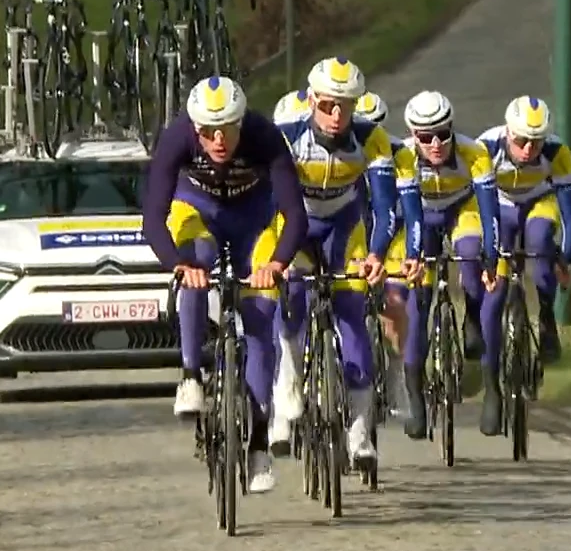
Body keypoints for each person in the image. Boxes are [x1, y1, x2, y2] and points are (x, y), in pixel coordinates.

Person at [141, 75, 308, 493]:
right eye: (208, 132)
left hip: (253, 219)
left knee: (260, 316)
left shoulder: (264, 137)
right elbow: (152, 217)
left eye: (227, 130)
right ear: (195, 128)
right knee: (196, 262)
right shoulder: (177, 135)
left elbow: (294, 212)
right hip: (197, 212)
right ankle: (191, 376)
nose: (218, 140)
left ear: (241, 123)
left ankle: (256, 447)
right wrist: (177, 265)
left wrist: (278, 263)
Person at [272, 57, 405, 467]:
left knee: (352, 315)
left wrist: (377, 255)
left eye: (345, 106)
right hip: (295, 221)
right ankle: (288, 387)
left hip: (345, 225)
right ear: (311, 100)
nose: (335, 115)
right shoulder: (286, 135)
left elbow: (385, 209)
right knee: (292, 294)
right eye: (327, 105)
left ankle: (360, 433)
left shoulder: (373, 139)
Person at [390, 90, 498, 441]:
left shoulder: (474, 153)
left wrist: (491, 257)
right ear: (412, 134)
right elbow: (405, 214)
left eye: (442, 134)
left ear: (453, 129)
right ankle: (416, 398)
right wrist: (415, 256)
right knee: (417, 304)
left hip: (461, 209)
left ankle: (471, 317)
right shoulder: (404, 157)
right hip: (420, 216)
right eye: (424, 136)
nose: (435, 143)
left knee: (469, 253)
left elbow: (488, 210)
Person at [475, 93, 571, 435]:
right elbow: (480, 207)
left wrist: (566, 256)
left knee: (538, 243)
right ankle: (491, 387)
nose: (528, 151)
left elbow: (569, 215)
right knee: (494, 297)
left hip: (540, 202)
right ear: (507, 132)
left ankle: (547, 314)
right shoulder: (486, 148)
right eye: (521, 141)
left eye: (536, 143)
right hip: (500, 209)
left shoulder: (557, 152)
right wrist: (489, 256)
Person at [354, 90, 412, 415]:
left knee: (394, 304)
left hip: (391, 234)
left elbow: (403, 209)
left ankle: (396, 373)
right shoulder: (336, 152)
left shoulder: (398, 153)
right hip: (351, 232)